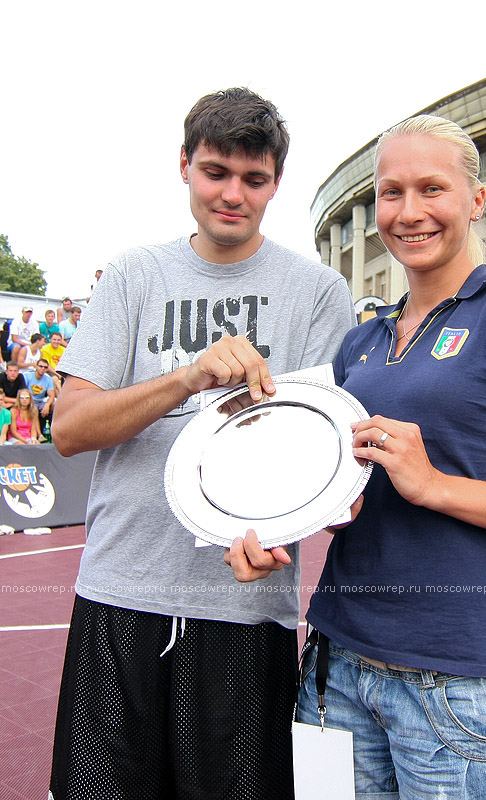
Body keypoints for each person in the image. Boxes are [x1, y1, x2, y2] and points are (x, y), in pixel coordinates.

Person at [228, 115, 486, 800]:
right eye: (390, 193)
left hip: (461, 687)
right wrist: (282, 525)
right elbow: (352, 505)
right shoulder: (361, 343)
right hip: (335, 672)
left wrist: (436, 485)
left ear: (476, 201)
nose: (408, 212)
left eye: (431, 189)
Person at [48, 87, 356, 800]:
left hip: (244, 608)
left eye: (253, 179)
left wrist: (287, 527)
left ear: (276, 183)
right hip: (120, 593)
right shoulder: (134, 275)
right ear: (184, 166)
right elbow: (70, 427)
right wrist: (188, 377)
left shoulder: (316, 291)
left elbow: (324, 455)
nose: (232, 195)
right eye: (216, 172)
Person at [24, 358, 56, 430]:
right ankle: (39, 434)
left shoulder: (48, 379)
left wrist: (47, 405)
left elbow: (52, 395)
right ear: (36, 366)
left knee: (54, 404)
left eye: (45, 367)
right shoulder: (27, 376)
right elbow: (23, 391)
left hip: (41, 401)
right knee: (34, 408)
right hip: (29, 400)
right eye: (41, 366)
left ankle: (52, 431)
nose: (43, 368)